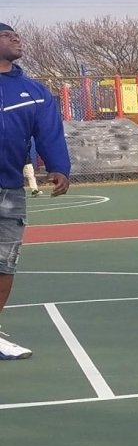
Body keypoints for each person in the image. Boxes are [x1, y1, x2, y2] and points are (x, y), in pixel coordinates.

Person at [0, 22, 71, 359]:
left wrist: (59, 167)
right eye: (5, 35)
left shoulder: (36, 91)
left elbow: (49, 133)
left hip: (10, 191)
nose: (15, 37)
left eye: (16, 34)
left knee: (5, 264)